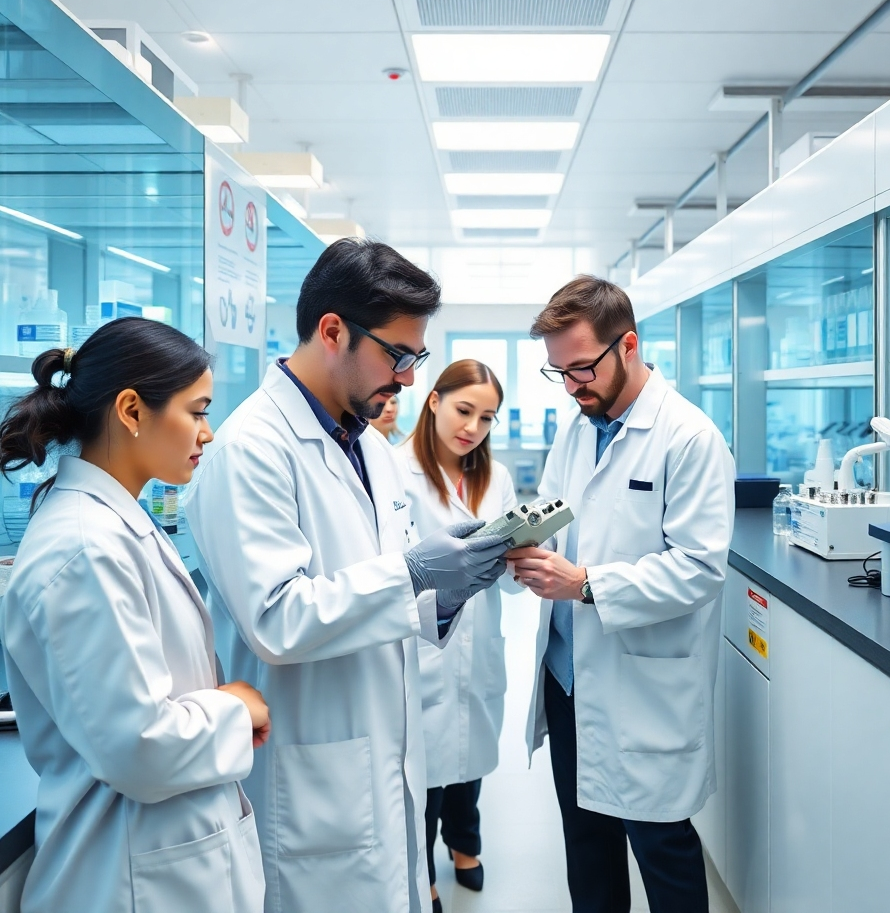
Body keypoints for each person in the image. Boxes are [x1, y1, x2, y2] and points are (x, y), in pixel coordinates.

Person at [183, 239, 510, 913]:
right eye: (400, 356)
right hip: (310, 773)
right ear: (333, 331)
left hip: (384, 760)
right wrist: (415, 572)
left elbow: (384, 595)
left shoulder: (368, 446)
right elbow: (278, 620)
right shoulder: (252, 450)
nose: (411, 379)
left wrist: (448, 588)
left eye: (416, 358)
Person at [0, 318, 270, 913]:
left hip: (160, 857)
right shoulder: (84, 550)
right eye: (196, 411)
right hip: (123, 879)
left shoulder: (117, 524)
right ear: (131, 410)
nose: (209, 431)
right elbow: (140, 748)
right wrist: (234, 706)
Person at [508, 276, 735, 913]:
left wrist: (584, 585)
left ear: (627, 346)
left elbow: (699, 568)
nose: (572, 384)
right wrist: (504, 540)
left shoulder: (689, 438)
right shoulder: (579, 428)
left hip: (641, 683)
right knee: (587, 848)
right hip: (569, 677)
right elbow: (550, 509)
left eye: (581, 368)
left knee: (662, 850)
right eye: (559, 373)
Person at [398, 360, 518, 912]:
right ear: (434, 402)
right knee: (423, 770)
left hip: (479, 640)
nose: (472, 427)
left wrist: (524, 557)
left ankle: (464, 844)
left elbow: (512, 579)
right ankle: (421, 872)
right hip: (422, 641)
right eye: (464, 410)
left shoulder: (496, 478)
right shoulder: (397, 473)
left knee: (468, 754)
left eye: (487, 418)